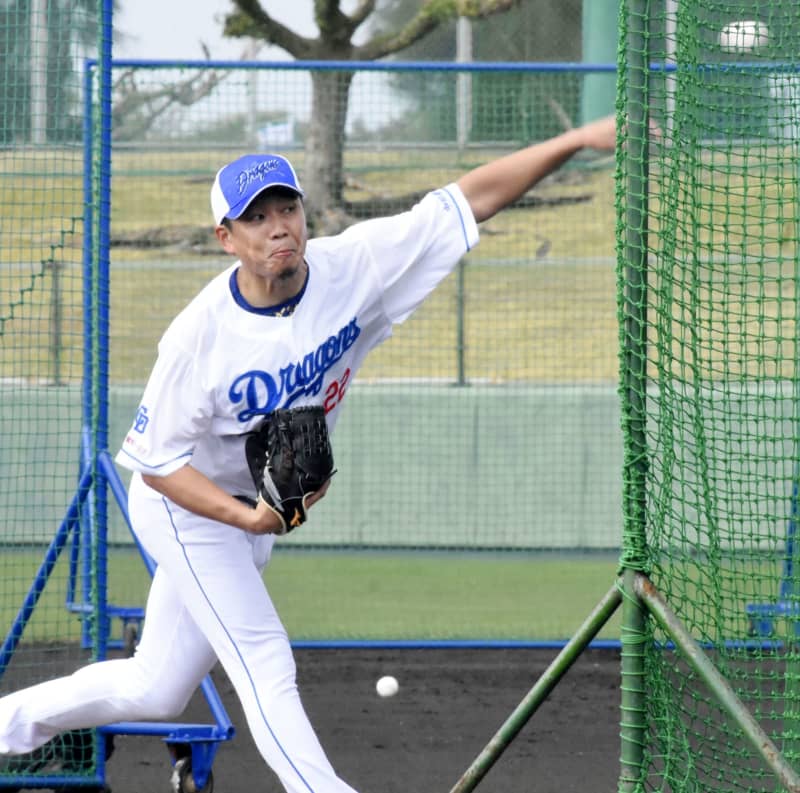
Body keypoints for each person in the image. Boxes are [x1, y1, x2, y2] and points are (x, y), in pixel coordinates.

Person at [0, 114, 617, 793]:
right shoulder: (197, 338)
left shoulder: (357, 266)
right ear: (226, 238)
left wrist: (576, 140)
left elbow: (467, 200)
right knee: (264, 656)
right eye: (256, 217)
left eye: (286, 207)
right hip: (190, 507)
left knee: (156, 686)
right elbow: (157, 463)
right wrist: (247, 522)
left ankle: (6, 727)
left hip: (255, 510)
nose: (278, 226)